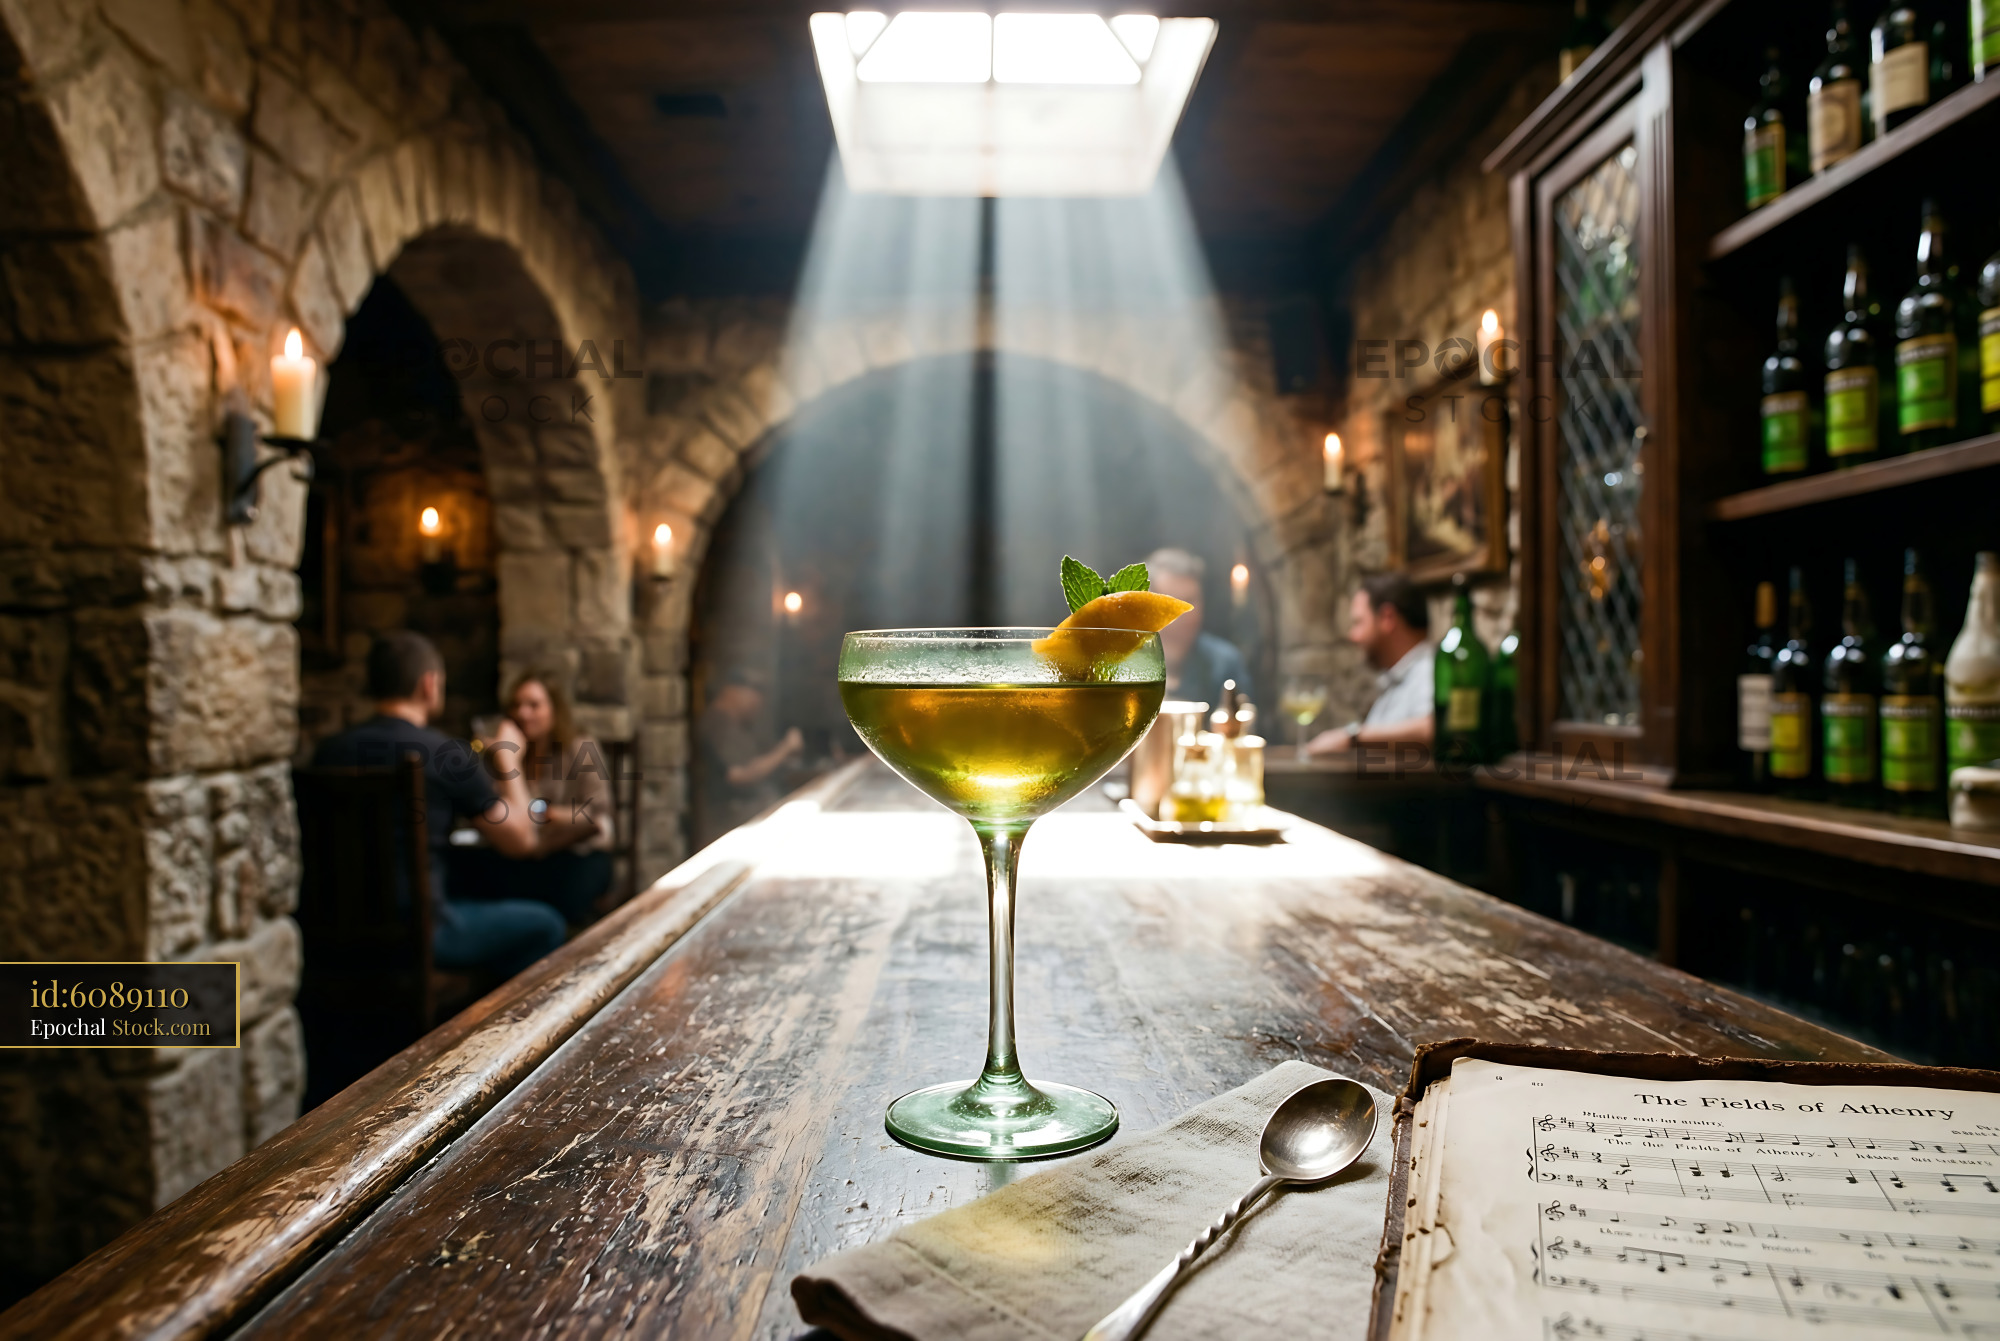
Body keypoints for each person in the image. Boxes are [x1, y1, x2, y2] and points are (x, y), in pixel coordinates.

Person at [310, 633, 592, 979]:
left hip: (334, 928)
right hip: (420, 930)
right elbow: (522, 840)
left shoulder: (330, 751)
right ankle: (494, 1014)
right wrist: (508, 760)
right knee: (545, 924)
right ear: (429, 685)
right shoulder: (445, 754)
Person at [450, 672, 616, 927]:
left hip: (574, 853)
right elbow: (493, 810)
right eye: (517, 705)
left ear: (554, 710)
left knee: (563, 886)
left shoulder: (579, 746)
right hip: (524, 856)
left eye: (533, 705)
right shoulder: (505, 754)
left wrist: (548, 814)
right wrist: (506, 761)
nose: (523, 713)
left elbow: (597, 813)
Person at [1307, 572, 1437, 755]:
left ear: (1387, 618)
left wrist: (1350, 738)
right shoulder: (1397, 679)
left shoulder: (1429, 670)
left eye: (1358, 622)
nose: (1352, 636)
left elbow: (1432, 728)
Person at [698, 669, 803, 840]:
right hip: (729, 827)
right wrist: (785, 748)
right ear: (732, 690)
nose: (758, 701)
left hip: (747, 822)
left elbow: (753, 761)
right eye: (755, 690)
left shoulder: (738, 724)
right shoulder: (718, 723)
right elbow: (740, 775)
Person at [1145, 547, 1254, 712]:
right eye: (1172, 602)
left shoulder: (1225, 663)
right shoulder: (1124, 663)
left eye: (1189, 602)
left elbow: (1245, 720)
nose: (1182, 613)